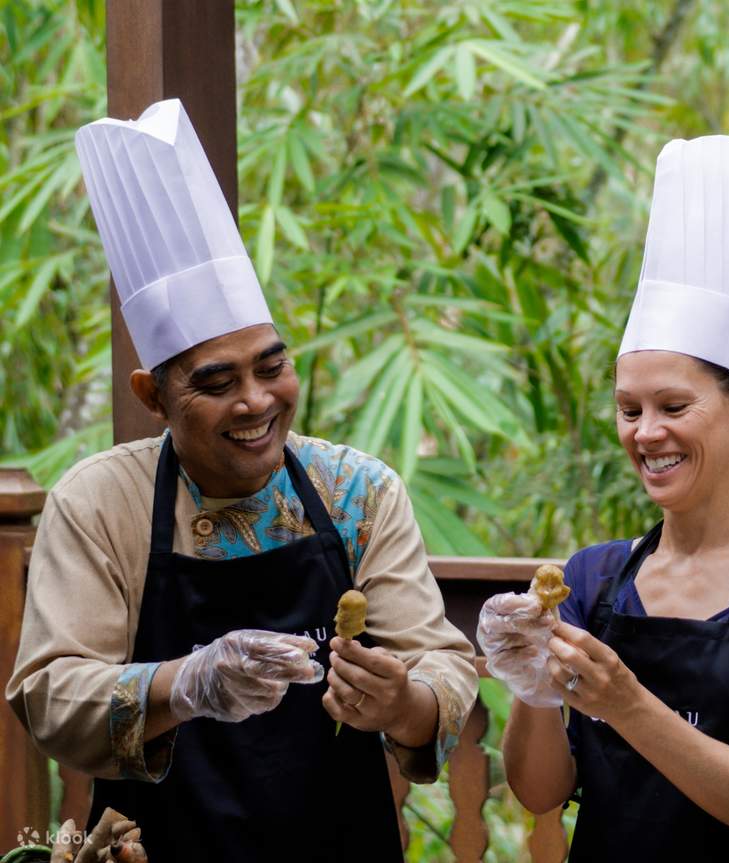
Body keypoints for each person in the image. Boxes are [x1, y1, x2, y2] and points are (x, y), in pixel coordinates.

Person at [5, 100, 477, 863]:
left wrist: (404, 701)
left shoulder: (358, 491)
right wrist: (188, 683)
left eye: (272, 365)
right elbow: (51, 697)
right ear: (151, 395)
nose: (256, 401)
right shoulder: (100, 502)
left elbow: (444, 666)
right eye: (217, 381)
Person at [477, 136, 729, 861]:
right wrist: (531, 686)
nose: (645, 433)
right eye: (628, 410)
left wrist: (625, 703)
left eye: (672, 406)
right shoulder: (593, 577)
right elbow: (538, 792)